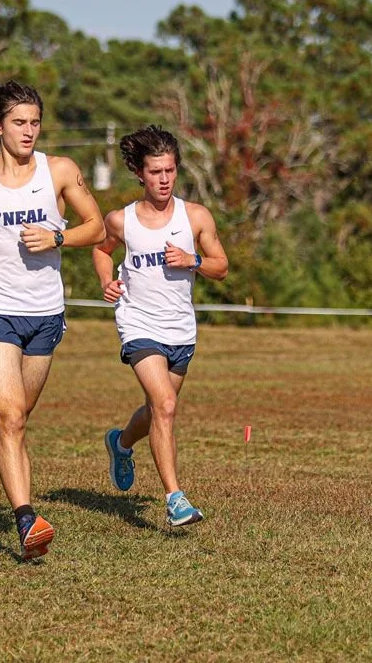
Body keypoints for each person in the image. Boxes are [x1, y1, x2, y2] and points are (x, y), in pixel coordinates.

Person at [0, 81, 105, 560]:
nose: (29, 131)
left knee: (15, 413)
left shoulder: (60, 171)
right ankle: (26, 519)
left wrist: (58, 238)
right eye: (19, 122)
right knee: (11, 416)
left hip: (45, 312)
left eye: (35, 122)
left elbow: (95, 225)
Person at [92, 125, 228, 527]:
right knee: (166, 405)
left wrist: (194, 261)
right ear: (140, 173)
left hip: (181, 329)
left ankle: (120, 443)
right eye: (156, 172)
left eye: (170, 170)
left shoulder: (196, 217)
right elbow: (102, 250)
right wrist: (107, 281)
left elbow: (221, 266)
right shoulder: (122, 220)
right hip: (138, 324)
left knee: (157, 411)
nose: (164, 179)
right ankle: (175, 498)